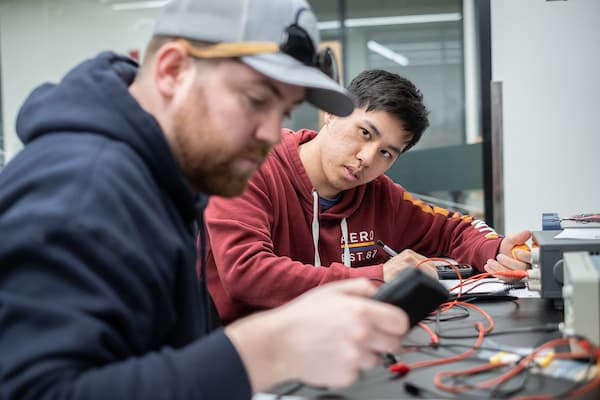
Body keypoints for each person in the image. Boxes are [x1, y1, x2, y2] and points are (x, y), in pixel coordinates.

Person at [0, 1, 412, 399]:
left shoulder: (164, 181)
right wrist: (266, 350)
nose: (271, 134)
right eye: (256, 100)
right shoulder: (84, 185)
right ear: (173, 70)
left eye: (284, 112)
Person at [204, 69, 532, 324]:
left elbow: (452, 228)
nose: (367, 158)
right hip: (252, 358)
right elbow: (246, 272)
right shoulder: (250, 168)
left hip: (343, 345)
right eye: (365, 133)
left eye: (387, 153)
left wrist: (500, 248)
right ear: (330, 113)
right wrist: (378, 276)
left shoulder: (378, 195)